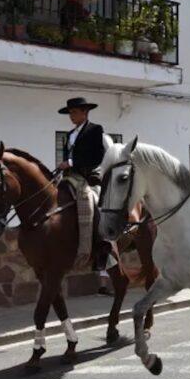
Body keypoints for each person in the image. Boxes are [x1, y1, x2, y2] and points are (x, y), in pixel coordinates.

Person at [57, 97, 112, 294]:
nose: (72, 116)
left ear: (85, 113)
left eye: (74, 112)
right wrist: (64, 166)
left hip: (88, 177)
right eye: (70, 113)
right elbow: (67, 158)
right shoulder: (70, 134)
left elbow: (95, 156)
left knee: (92, 204)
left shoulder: (95, 130)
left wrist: (71, 163)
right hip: (70, 177)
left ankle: (101, 245)